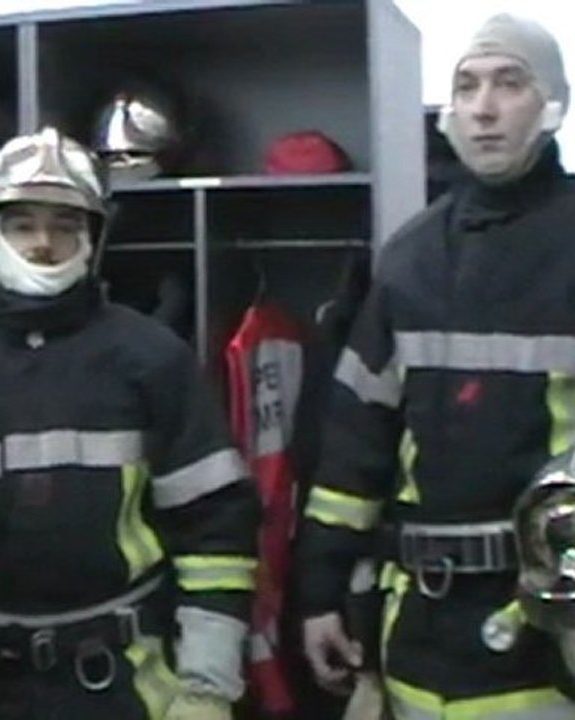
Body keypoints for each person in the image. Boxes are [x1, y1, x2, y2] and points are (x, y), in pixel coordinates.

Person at [0, 126, 258, 720]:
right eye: (22, 224)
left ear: (95, 236)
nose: (44, 244)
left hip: (123, 684)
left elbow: (217, 532)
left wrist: (206, 688)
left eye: (65, 224)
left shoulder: (153, 359)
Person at [298, 13, 575, 720]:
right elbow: (355, 447)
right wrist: (321, 591)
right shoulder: (409, 260)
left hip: (553, 642)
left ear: (554, 105)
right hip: (418, 635)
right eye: (467, 86)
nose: (483, 107)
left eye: (509, 84)